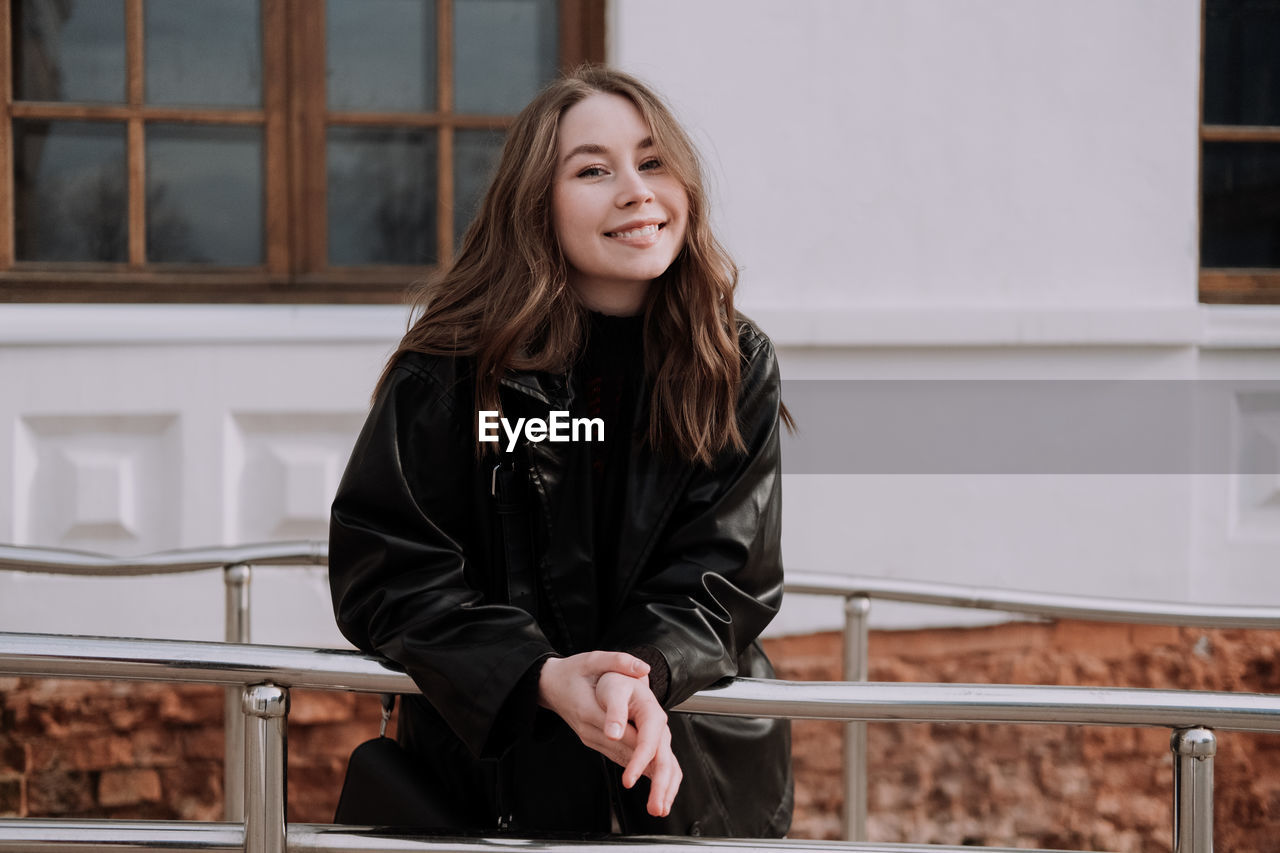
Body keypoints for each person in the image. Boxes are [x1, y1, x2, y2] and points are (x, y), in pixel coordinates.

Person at [328, 65, 792, 837]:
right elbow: (390, 569)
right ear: (535, 203)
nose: (636, 191)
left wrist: (638, 679)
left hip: (690, 777)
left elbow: (727, 572)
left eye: (652, 162)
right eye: (593, 170)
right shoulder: (451, 371)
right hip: (498, 787)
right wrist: (536, 677)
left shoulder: (732, 363)